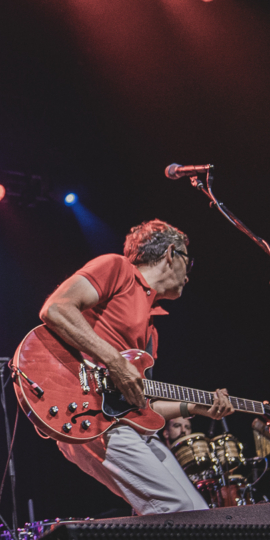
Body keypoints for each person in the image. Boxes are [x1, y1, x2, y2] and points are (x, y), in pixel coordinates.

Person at [39, 220, 234, 514]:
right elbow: (56, 308)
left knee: (198, 514)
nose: (188, 277)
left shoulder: (151, 332)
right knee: (174, 507)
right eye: (188, 262)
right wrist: (115, 361)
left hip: (125, 422)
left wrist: (193, 407)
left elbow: (142, 404)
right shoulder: (117, 269)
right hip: (89, 415)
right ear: (171, 253)